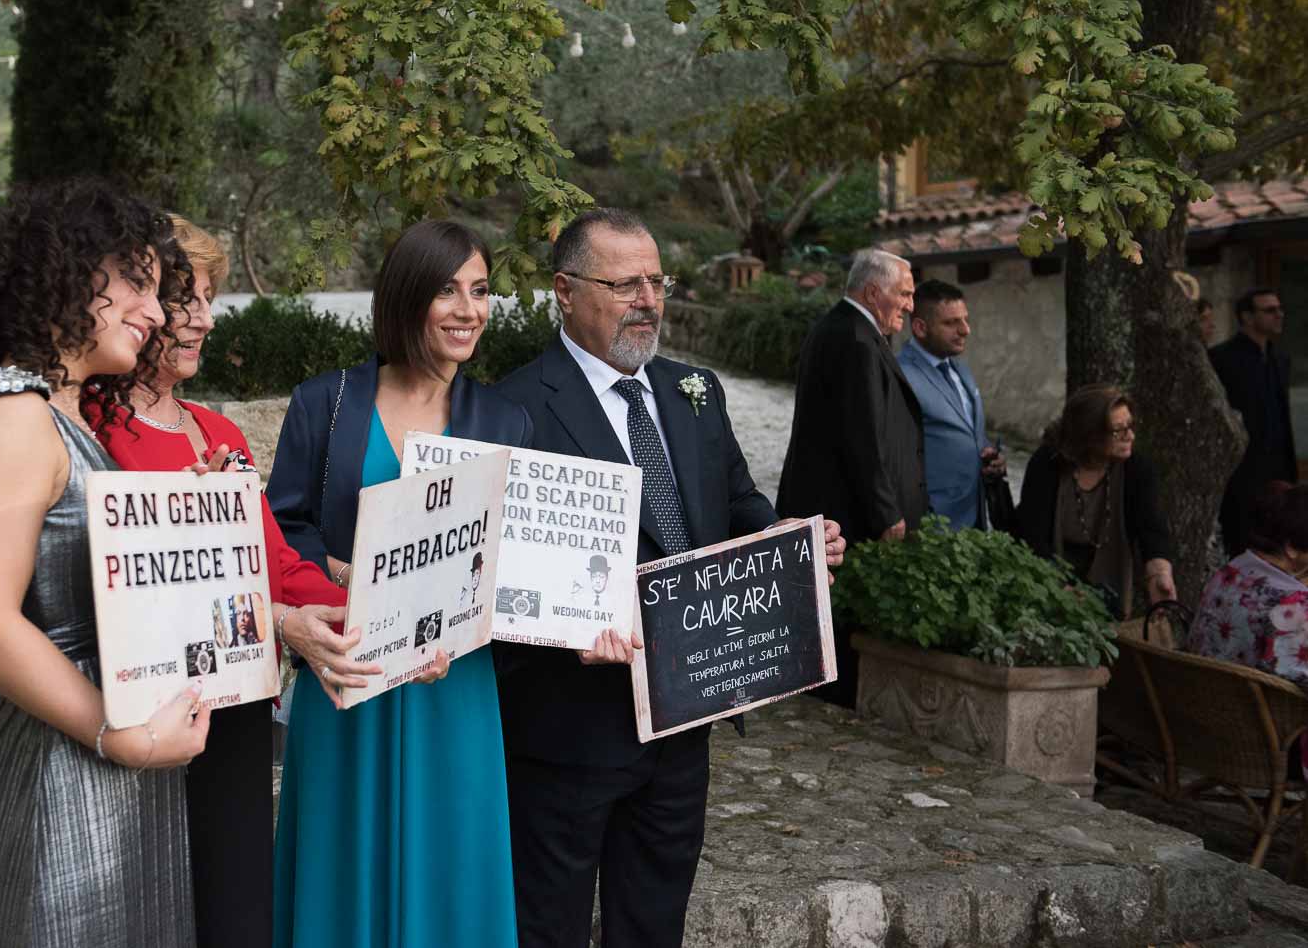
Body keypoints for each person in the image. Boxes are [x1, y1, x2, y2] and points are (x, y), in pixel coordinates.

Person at [495, 208, 844, 948]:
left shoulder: (697, 391)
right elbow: (495, 573)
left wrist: (781, 538)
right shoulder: (513, 406)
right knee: (546, 929)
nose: (648, 299)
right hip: (568, 726)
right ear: (564, 290)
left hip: (686, 718)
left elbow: (739, 503)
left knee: (655, 924)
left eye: (657, 279)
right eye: (624, 283)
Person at [0, 180, 212, 946]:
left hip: (112, 761)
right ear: (72, 271)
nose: (156, 314)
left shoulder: (57, 411)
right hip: (60, 772)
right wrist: (112, 734)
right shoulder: (11, 412)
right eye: (138, 284)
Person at [267, 219, 530, 948]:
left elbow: (520, 557)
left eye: (480, 291)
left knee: (452, 871)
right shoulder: (326, 404)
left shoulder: (505, 420)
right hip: (350, 678)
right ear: (407, 297)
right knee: (340, 868)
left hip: (456, 691)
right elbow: (285, 527)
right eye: (448, 289)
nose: (468, 308)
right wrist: (348, 581)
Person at [89, 216, 348, 948]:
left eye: (208, 298)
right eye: (185, 300)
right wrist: (280, 620)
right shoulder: (92, 429)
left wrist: (372, 608)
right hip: (151, 713)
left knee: (235, 905)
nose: (204, 317)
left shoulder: (220, 432)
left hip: (235, 714)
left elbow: (279, 563)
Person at [776, 247, 924, 708]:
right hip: (844, 512)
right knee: (833, 622)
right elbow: (863, 438)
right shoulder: (855, 339)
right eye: (905, 293)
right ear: (873, 290)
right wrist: (888, 512)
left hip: (835, 506)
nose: (911, 304)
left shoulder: (848, 329)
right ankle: (828, 701)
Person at [1015, 385, 1177, 617]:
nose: (1130, 436)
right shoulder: (1047, 463)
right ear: (1089, 435)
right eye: (1118, 431)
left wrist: (1160, 573)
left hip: (1106, 579)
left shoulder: (1137, 469)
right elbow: (1032, 533)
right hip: (1047, 575)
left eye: (1130, 426)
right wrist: (1058, 588)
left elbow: (1152, 528)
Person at [896, 279, 1005, 530]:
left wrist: (988, 454)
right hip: (931, 524)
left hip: (974, 516)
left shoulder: (959, 369)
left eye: (965, 319)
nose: (965, 330)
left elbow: (966, 432)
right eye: (951, 323)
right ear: (921, 327)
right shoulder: (900, 376)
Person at [1188, 482, 1308, 685]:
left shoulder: (1230, 572)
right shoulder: (1293, 604)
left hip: (1205, 697)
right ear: (1291, 548)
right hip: (1256, 712)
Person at [1212, 287, 1297, 556]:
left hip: (1278, 471)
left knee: (1280, 545)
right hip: (1241, 473)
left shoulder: (1279, 359)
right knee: (1242, 545)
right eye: (1270, 310)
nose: (1279, 315)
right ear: (1247, 317)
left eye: (1280, 309)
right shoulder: (1221, 358)